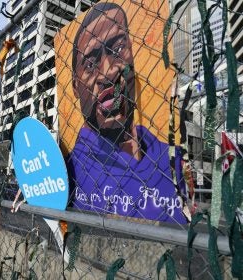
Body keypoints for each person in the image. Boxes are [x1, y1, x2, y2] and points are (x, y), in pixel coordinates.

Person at [66, 2, 188, 224]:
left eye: (118, 49)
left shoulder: (171, 157)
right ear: (75, 86)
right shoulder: (68, 171)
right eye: (91, 64)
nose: (109, 71)